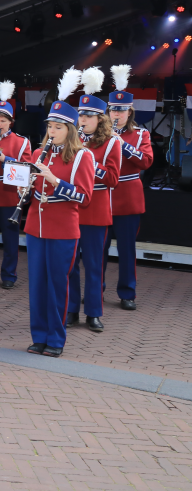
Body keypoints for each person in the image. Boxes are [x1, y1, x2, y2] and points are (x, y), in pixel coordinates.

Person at [24, 68, 94, 358]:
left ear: (70, 130)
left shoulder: (82, 156)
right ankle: (38, 335)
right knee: (37, 285)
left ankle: (55, 339)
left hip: (64, 228)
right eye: (49, 127)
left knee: (57, 284)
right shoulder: (39, 154)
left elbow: (85, 197)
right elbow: (31, 190)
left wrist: (56, 182)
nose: (51, 132)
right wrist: (24, 190)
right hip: (35, 227)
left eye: (57, 127)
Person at [66, 68, 121, 332]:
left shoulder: (112, 143)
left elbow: (112, 179)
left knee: (94, 264)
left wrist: (87, 165)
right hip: (71, 208)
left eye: (88, 116)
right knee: (70, 264)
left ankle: (94, 313)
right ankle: (71, 309)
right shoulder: (70, 140)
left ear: (100, 119)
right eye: (80, 115)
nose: (82, 119)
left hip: (96, 209)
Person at [103, 64, 153, 311]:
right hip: (101, 197)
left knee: (126, 250)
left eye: (122, 111)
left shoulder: (141, 134)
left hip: (127, 198)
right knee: (96, 249)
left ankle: (127, 293)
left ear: (130, 112)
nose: (117, 115)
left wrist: (123, 144)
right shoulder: (97, 134)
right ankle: (95, 290)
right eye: (113, 110)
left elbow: (146, 161)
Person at [0, 82, 31, 288]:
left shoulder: (21, 142)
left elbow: (26, 167)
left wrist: (5, 160)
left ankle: (9, 275)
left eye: (3, 120)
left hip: (9, 194)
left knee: (10, 239)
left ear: (11, 122)